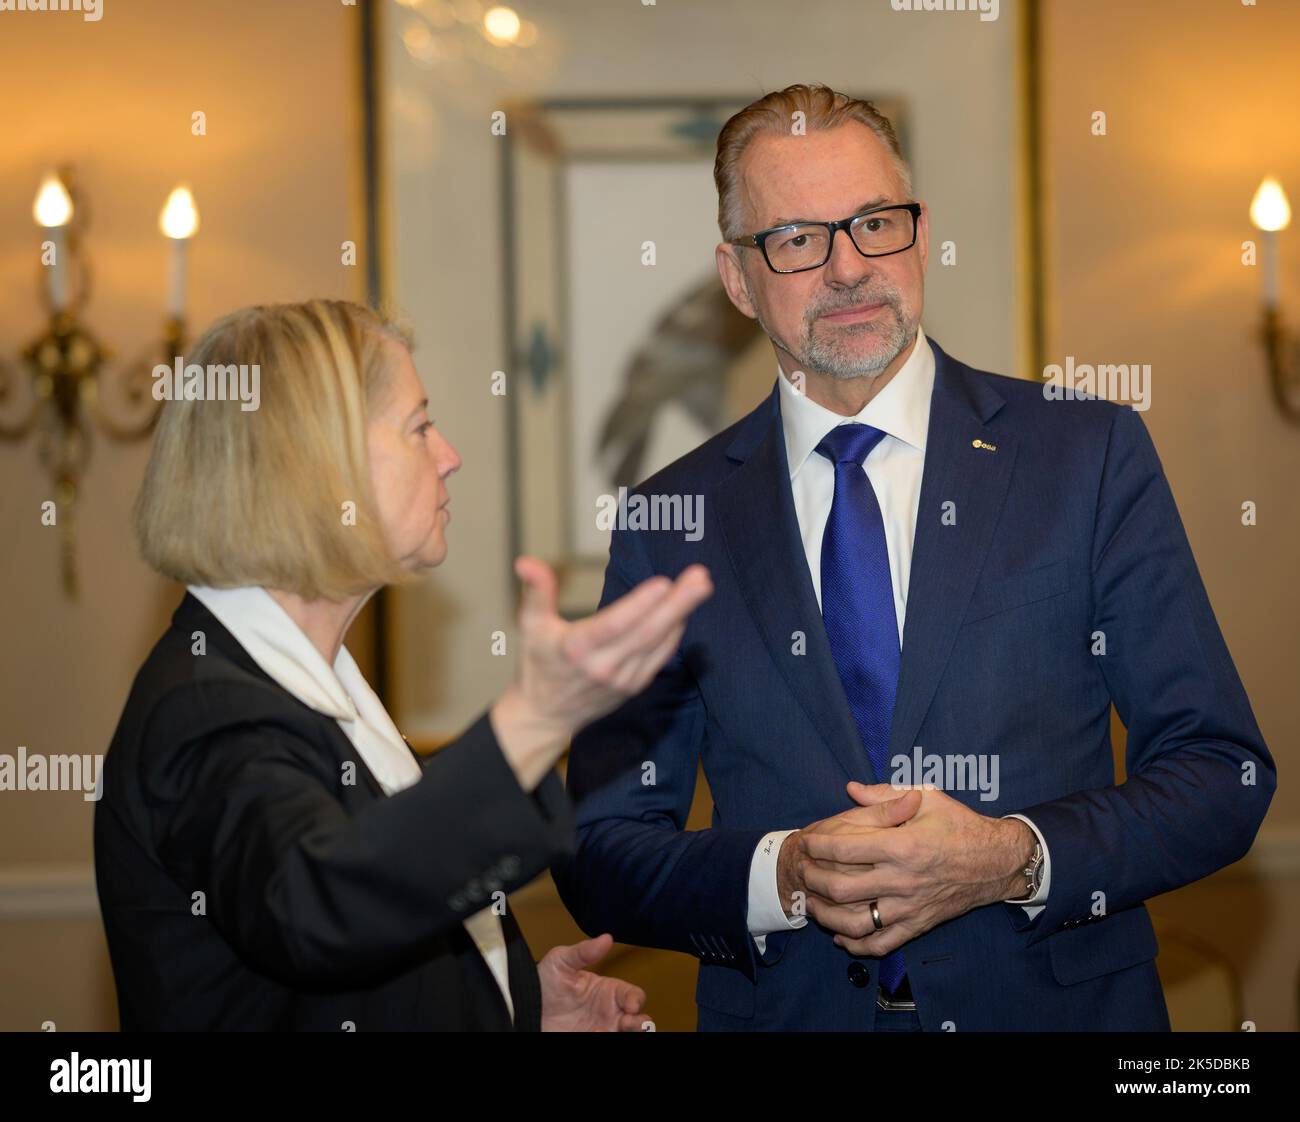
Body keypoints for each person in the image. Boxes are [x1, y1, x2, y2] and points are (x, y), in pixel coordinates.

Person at [552, 84, 1276, 1031]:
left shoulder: (1084, 455)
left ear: (921, 232)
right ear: (737, 278)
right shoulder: (670, 519)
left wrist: (1012, 858)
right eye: (798, 239)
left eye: (874, 223)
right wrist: (785, 876)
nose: (849, 267)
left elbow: (1221, 774)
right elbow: (601, 849)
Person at [94, 299, 713, 1031]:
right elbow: (317, 907)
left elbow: (368, 937)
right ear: (319, 466)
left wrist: (514, 1005)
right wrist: (535, 718)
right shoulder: (206, 706)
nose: (448, 454)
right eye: (419, 426)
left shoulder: (310, 683)